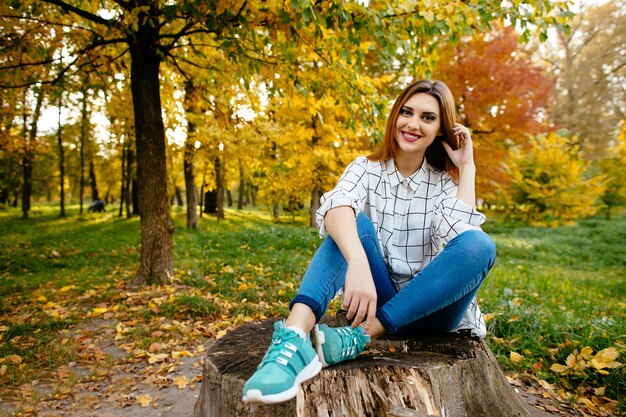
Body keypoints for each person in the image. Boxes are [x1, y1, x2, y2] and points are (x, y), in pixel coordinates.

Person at [242, 79, 496, 404]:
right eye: (406, 112)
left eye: (427, 117)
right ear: (395, 116)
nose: (413, 124)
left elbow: (461, 241)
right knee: (348, 220)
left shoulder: (446, 184)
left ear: (441, 130)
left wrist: (467, 166)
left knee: (480, 245)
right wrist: (358, 262)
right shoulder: (366, 168)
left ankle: (360, 336)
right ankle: (291, 342)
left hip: (435, 313)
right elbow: (335, 206)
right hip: (382, 294)